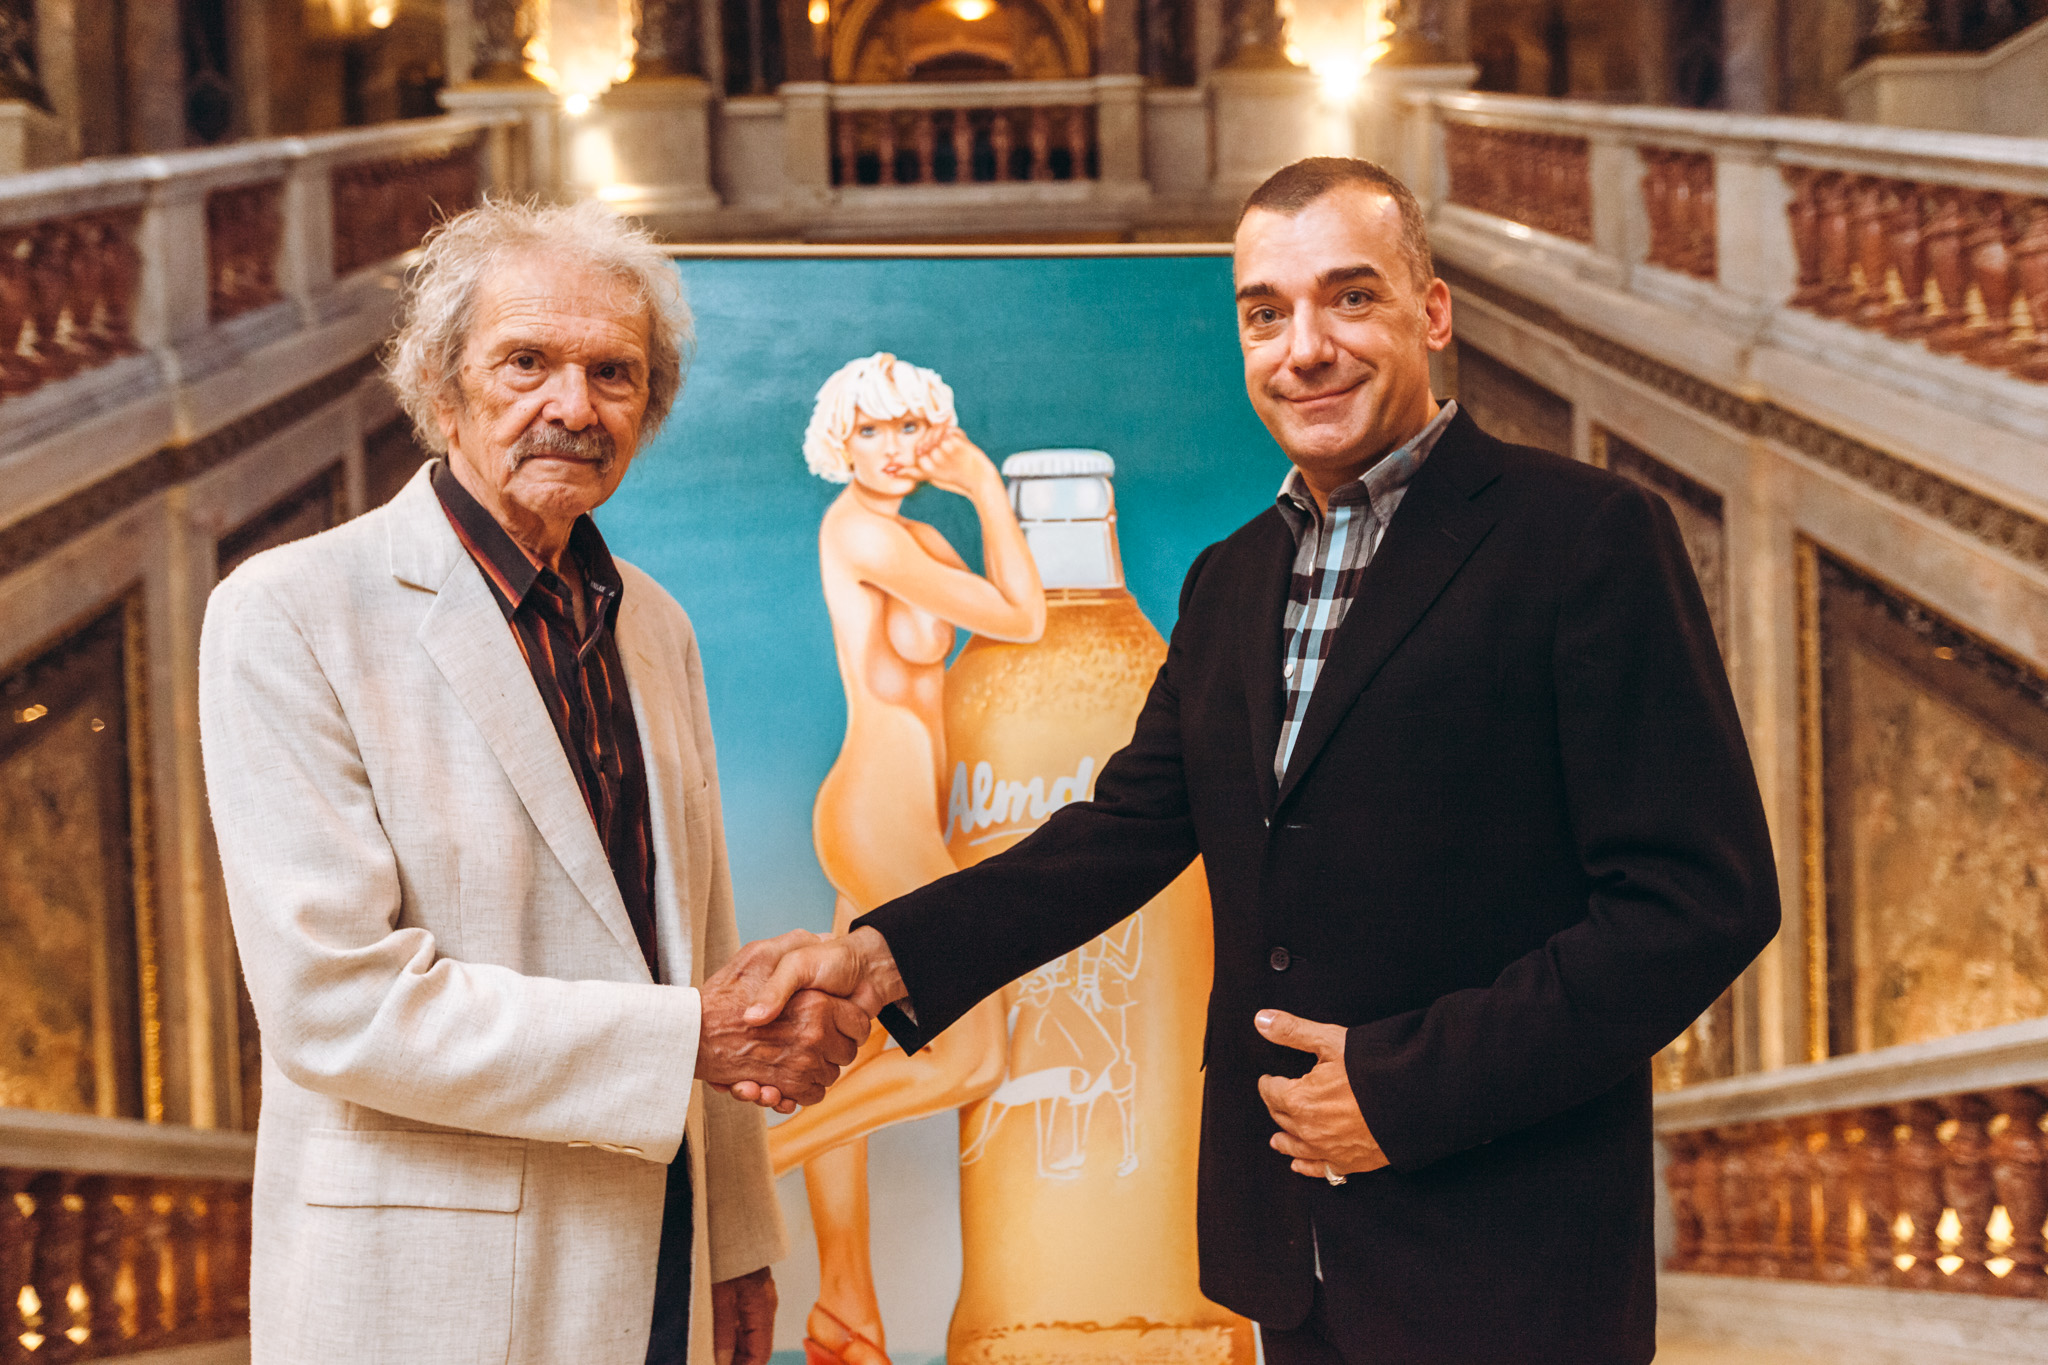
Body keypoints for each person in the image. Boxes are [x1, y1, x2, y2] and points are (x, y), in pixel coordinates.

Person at [734, 157, 1782, 1364]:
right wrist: (879, 957)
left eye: (1350, 298)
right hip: (1285, 1257)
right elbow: (1122, 831)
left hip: (1507, 1261)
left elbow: (1698, 901)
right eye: (1264, 313)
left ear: (1431, 312)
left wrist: (1403, 1088)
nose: (1304, 349)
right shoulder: (1228, 579)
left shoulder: (1585, 536)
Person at [197, 199, 868, 1365]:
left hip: (660, 1261)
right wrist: (690, 1038)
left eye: (614, 373)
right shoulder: (290, 611)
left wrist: (737, 1241)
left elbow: (697, 944)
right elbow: (335, 1005)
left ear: (648, 405)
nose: (573, 406)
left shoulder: (654, 624)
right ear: (441, 385)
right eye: (526, 363)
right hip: (428, 1290)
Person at [776, 353, 1045, 1365]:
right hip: (874, 808)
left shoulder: (914, 536)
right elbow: (1021, 616)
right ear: (837, 442)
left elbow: (1010, 623)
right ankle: (733, 1169)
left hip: (894, 809)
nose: (890, 449)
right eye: (869, 431)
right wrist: (986, 491)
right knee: (974, 1054)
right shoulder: (859, 531)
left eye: (906, 427)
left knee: (840, 1048)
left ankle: (842, 1312)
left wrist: (970, 502)